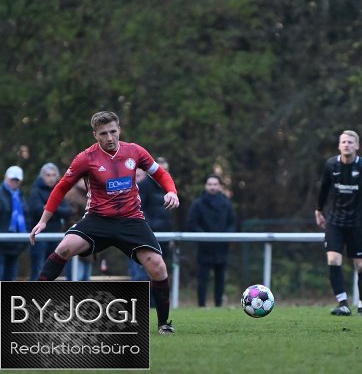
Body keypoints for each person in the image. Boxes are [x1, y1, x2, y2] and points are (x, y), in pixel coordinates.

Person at [29, 111, 180, 335]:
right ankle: (32, 309)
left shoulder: (135, 151)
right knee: (64, 248)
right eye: (103, 134)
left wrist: (171, 191)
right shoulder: (86, 158)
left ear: (119, 130)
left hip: (131, 220)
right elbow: (61, 187)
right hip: (97, 219)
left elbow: (160, 174)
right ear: (95, 135)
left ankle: (164, 323)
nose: (109, 137)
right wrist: (43, 221)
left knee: (158, 266)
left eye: (112, 131)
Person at [315, 130, 362, 316]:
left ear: (357, 146)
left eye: (350, 142)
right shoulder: (331, 165)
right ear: (339, 146)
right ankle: (343, 303)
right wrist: (318, 210)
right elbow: (324, 189)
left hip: (356, 223)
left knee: (361, 265)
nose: (346, 145)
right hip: (335, 221)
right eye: (343, 142)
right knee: (333, 259)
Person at [187, 174, 237, 307]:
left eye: (215, 184)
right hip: (204, 248)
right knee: (202, 278)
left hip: (221, 248)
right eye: (210, 184)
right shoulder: (198, 204)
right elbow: (192, 223)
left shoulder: (227, 204)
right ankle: (201, 305)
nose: (212, 187)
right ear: (205, 186)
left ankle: (218, 305)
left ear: (220, 186)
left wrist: (226, 237)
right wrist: (204, 237)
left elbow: (232, 223)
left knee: (220, 278)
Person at [28, 163, 72, 281]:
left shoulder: (58, 191)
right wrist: (55, 209)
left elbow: (68, 211)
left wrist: (49, 208)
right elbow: (36, 211)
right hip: (39, 237)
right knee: (37, 269)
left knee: (50, 270)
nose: (51, 178)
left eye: (53, 175)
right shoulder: (36, 191)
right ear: (42, 176)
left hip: (54, 236)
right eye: (48, 175)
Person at [0, 166, 29, 280]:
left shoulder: (20, 196)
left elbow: (26, 218)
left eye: (17, 180)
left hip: (15, 246)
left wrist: (24, 242)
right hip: (2, 245)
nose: (14, 182)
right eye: (12, 179)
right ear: (6, 177)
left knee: (11, 278)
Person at [63, 179, 93, 280]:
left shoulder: (92, 194)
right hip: (75, 241)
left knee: (85, 278)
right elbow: (70, 220)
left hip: (89, 243)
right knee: (76, 277)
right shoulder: (72, 195)